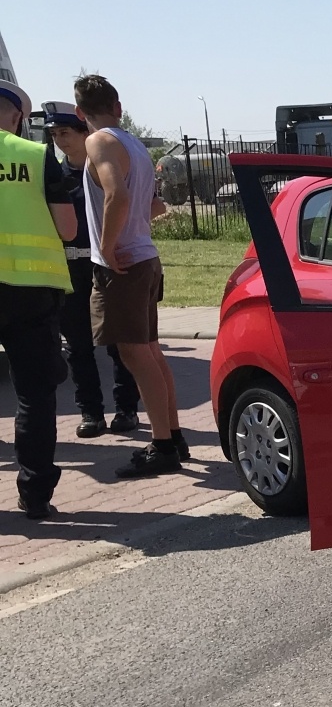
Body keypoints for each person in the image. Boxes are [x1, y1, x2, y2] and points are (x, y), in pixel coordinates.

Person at [74, 75, 188, 477]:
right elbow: (155, 205)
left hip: (122, 263)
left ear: (79, 112)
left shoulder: (99, 141)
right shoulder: (135, 144)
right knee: (151, 351)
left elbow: (116, 195)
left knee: (135, 355)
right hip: (144, 257)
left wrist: (106, 246)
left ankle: (162, 446)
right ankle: (172, 436)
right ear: (118, 107)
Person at [0, 79, 77, 518]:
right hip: (30, 293)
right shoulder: (33, 156)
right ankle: (34, 494)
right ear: (16, 117)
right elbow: (67, 229)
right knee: (33, 395)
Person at [40, 102, 140, 438]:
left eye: (65, 132)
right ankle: (91, 413)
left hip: (103, 263)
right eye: (54, 134)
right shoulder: (53, 174)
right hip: (69, 267)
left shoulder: (102, 168)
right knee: (78, 346)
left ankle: (126, 409)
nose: (59, 140)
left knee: (117, 341)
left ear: (85, 131)